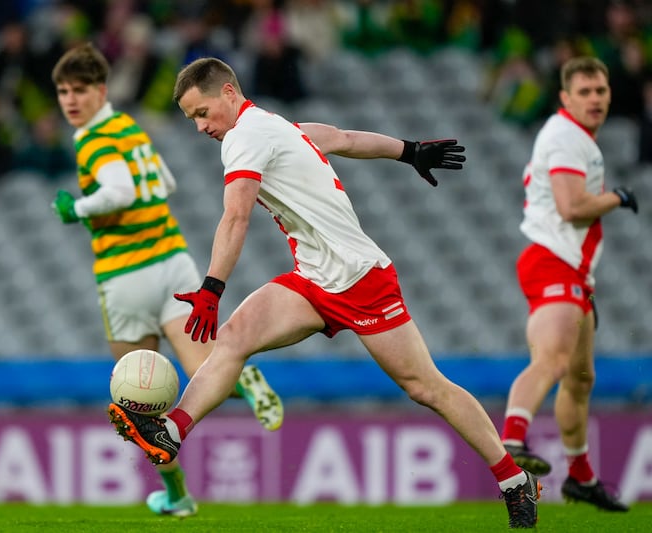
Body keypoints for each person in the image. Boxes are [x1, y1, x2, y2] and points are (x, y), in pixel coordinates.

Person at [107, 56, 541, 529]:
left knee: (426, 387)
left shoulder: (244, 137)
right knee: (233, 338)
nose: (200, 127)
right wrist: (409, 150)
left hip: (360, 280)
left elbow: (236, 215)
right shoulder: (278, 127)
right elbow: (345, 138)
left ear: (229, 93)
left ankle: (514, 480)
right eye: (193, 118)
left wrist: (211, 288)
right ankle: (170, 432)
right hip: (313, 278)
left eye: (203, 112)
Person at [49, 44, 283, 518]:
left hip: (125, 273)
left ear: (100, 91)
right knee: (206, 371)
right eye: (63, 92)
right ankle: (244, 379)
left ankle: (177, 495)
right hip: (172, 261)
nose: (70, 101)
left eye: (79, 91)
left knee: (136, 401)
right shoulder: (129, 128)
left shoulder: (92, 139)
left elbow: (120, 190)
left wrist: (78, 209)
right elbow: (165, 183)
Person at [500, 56, 635, 512]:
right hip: (552, 262)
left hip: (573, 268)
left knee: (579, 378)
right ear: (565, 97)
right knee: (554, 361)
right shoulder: (565, 138)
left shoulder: (575, 137)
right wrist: (617, 197)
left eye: (600, 90)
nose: (595, 99)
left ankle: (580, 477)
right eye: (585, 92)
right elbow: (571, 207)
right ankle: (512, 439)